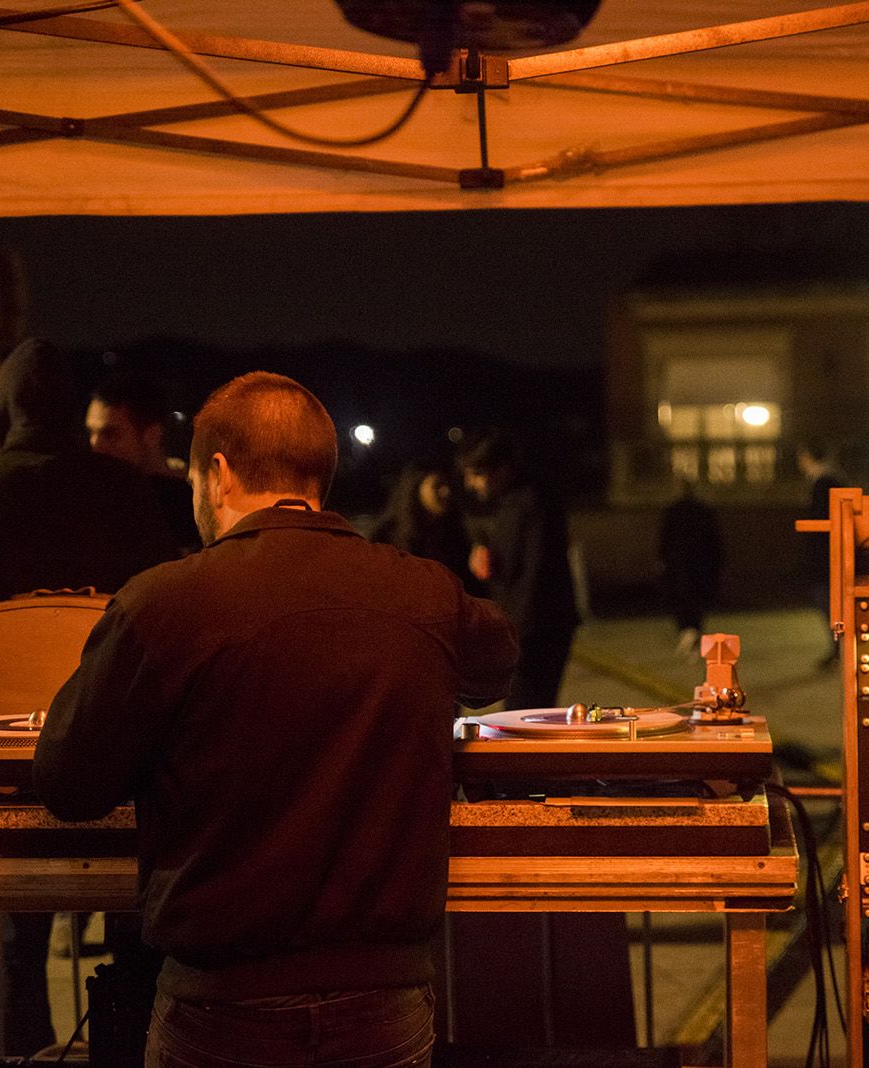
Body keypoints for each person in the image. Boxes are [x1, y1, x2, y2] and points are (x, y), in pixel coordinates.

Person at [34, 371, 517, 1068]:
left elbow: (67, 780)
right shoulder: (425, 594)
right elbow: (494, 662)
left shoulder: (164, 604)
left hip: (220, 1003)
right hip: (384, 999)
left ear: (218, 474)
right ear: (320, 473)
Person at [0, 337, 175, 1058]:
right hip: (119, 746)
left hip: (8, 757)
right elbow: (163, 616)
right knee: (131, 927)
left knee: (19, 935)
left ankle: (22, 1051)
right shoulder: (123, 490)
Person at [456, 429, 578, 710]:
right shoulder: (514, 502)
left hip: (537, 632)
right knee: (527, 714)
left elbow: (535, 576)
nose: (471, 483)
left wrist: (511, 636)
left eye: (476, 473)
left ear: (502, 469)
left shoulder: (531, 502)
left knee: (523, 717)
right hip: (534, 628)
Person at [87, 370, 200, 558]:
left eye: (111, 434)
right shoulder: (95, 500)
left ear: (152, 434)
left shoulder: (192, 508)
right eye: (91, 433)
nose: (96, 446)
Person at [369, 461, 482, 594]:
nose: (446, 491)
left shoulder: (455, 532)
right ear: (416, 489)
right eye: (437, 485)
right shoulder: (386, 536)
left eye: (447, 484)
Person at [797, 439, 848, 667]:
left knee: (828, 600)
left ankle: (839, 648)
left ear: (808, 457)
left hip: (825, 554)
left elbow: (821, 521)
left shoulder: (822, 483)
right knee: (830, 600)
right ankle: (839, 648)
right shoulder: (832, 479)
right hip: (831, 552)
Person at [659, 479, 723, 659]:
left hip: (678, 564)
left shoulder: (672, 512)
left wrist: (663, 560)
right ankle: (694, 634)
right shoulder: (704, 511)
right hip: (702, 563)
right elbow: (714, 540)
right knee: (698, 601)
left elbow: (665, 539)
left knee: (680, 600)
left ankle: (686, 632)